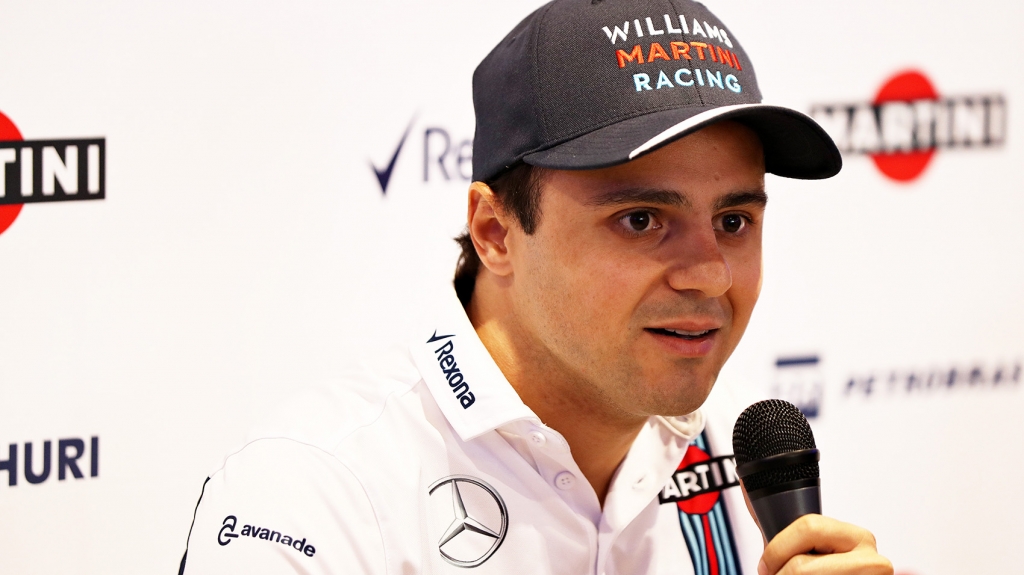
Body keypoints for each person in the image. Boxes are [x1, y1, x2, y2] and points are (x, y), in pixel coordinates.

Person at [179, 1, 894, 574]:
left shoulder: (744, 461)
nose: (709, 273)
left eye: (733, 220)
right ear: (495, 232)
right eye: (642, 219)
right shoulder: (317, 494)